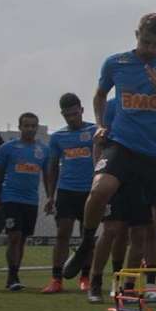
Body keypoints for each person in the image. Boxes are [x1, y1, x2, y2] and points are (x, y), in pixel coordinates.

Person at [78, 12, 156, 311]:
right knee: (100, 191)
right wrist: (102, 124)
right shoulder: (116, 63)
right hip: (123, 146)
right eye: (146, 41)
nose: (150, 49)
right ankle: (85, 247)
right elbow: (100, 94)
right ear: (136, 34)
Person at [86, 96, 156, 303]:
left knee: (139, 234)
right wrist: (99, 170)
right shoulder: (113, 105)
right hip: (117, 173)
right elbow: (99, 141)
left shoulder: (152, 103)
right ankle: (95, 282)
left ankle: (128, 287)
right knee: (110, 231)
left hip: (142, 175)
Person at [0, 112, 52, 291]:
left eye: (33, 126)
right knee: (14, 236)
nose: (30, 129)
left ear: (37, 128)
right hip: (10, 197)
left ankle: (15, 273)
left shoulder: (43, 150)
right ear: (20, 127)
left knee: (22, 238)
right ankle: (12, 276)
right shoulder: (7, 148)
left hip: (30, 200)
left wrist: (50, 197)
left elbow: (47, 176)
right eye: (26, 125)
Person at [43, 93, 98, 293]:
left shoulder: (95, 131)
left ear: (82, 110)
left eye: (75, 114)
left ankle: (85, 277)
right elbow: (52, 167)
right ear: (62, 114)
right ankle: (56, 279)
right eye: (68, 116)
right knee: (62, 234)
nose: (72, 118)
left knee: (87, 237)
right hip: (67, 191)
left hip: (90, 191)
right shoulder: (58, 137)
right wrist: (50, 195)